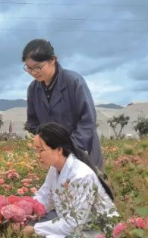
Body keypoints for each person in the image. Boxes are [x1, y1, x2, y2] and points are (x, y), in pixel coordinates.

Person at [23, 122, 117, 238]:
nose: (37, 155)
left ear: (59, 149)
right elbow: (43, 196)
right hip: (72, 224)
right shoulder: (55, 169)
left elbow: (74, 223)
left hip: (90, 233)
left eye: (41, 150)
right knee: (31, 224)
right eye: (36, 150)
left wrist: (34, 229)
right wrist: (24, 211)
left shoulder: (81, 176)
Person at [22, 38, 105, 172]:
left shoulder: (74, 82)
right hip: (56, 156)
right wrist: (48, 142)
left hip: (83, 150)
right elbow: (33, 122)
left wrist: (68, 148)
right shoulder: (33, 89)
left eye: (37, 67)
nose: (33, 72)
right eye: (29, 68)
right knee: (60, 190)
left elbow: (87, 121)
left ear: (52, 59)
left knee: (87, 188)